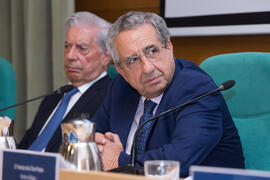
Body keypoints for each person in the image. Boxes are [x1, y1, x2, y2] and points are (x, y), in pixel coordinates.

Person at [92, 11, 245, 178]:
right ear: (121, 70)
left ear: (169, 48)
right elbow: (92, 133)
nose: (148, 68)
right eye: (133, 60)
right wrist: (96, 146)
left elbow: (178, 161)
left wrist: (117, 162)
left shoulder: (196, 88)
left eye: (152, 51)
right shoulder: (121, 88)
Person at [18, 12, 112, 152]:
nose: (70, 56)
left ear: (105, 56)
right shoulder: (54, 97)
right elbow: (26, 145)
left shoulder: (110, 98)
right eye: (67, 46)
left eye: (82, 48)